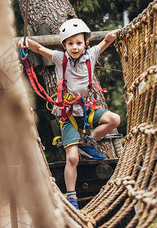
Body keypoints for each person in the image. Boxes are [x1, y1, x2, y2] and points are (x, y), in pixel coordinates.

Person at [18, 18, 120, 209]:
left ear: (86, 43)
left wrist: (111, 36)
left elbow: (105, 42)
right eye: (70, 43)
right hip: (68, 115)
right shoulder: (60, 58)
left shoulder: (91, 55)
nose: (75, 47)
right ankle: (72, 197)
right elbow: (40, 49)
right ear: (64, 45)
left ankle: (88, 141)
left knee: (114, 119)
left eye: (79, 43)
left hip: (87, 109)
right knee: (72, 158)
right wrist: (26, 43)